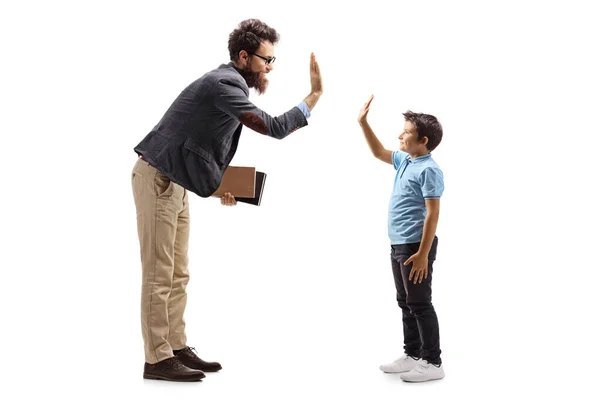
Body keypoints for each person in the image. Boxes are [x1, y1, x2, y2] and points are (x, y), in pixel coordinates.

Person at [131, 18, 323, 382]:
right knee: (159, 274)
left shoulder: (229, 85)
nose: (270, 67)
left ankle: (174, 346)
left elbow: (197, 145)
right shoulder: (224, 84)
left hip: (174, 182)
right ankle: (156, 359)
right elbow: (274, 127)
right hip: (157, 180)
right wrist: (313, 96)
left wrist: (218, 185)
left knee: (178, 273)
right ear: (244, 56)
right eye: (267, 60)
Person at [357, 95, 445, 383]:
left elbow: (432, 214)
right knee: (405, 301)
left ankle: (432, 362)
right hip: (398, 245)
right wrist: (363, 123)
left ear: (423, 140)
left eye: (406, 132)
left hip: (415, 247)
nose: (400, 135)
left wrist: (422, 253)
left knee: (420, 303)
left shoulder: (429, 169)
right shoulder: (407, 160)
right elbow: (379, 152)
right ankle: (413, 353)